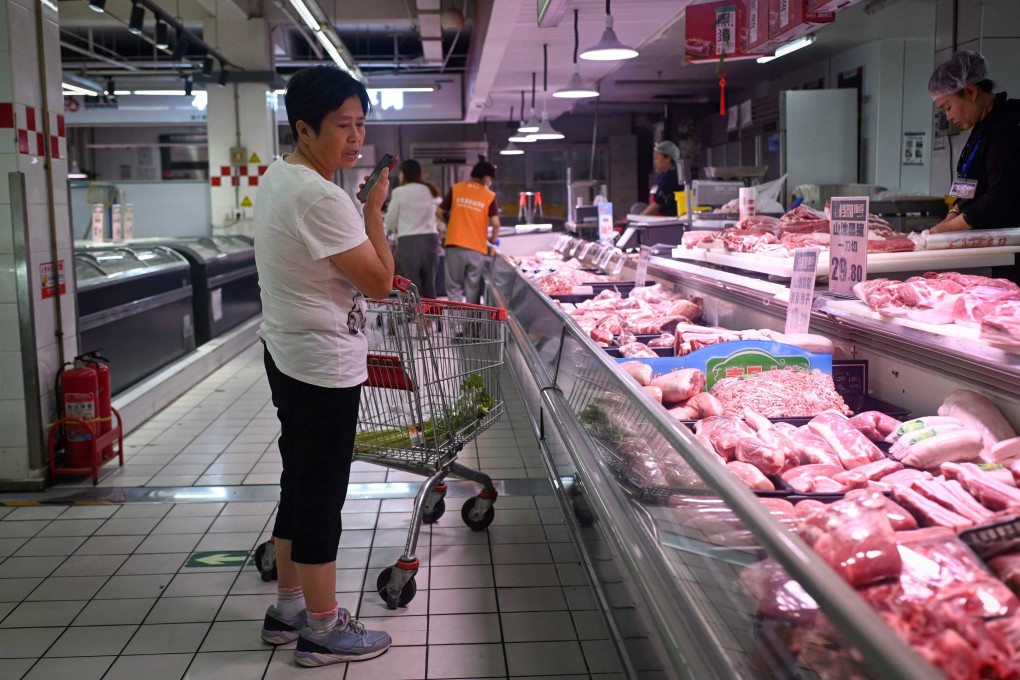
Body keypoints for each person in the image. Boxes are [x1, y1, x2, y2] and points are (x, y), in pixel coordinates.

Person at [253, 65, 394, 668]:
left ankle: (287, 610)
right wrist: (374, 214)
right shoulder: (320, 195)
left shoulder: (279, 177)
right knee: (321, 494)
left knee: (299, 478)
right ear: (305, 128)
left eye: (361, 124)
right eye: (343, 126)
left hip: (286, 349)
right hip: (321, 361)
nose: (356, 139)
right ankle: (321, 628)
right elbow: (381, 283)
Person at [929, 51, 1020, 235]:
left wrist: (949, 228)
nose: (948, 116)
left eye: (948, 107)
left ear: (970, 91)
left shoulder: (1006, 127)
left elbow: (1000, 197)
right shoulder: (981, 127)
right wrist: (954, 211)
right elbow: (970, 183)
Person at [441, 155, 500, 304]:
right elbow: (496, 223)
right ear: (487, 178)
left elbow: (438, 212)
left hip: (454, 244)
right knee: (472, 289)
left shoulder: (456, 189)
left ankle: (456, 326)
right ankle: (470, 326)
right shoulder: (489, 195)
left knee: (454, 288)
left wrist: (451, 224)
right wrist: (492, 239)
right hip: (476, 248)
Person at [385, 159, 442, 297]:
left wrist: (392, 230)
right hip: (431, 241)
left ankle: (416, 317)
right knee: (430, 283)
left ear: (403, 174)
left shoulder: (400, 191)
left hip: (409, 242)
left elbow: (390, 220)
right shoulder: (430, 190)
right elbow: (440, 215)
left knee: (412, 285)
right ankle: (430, 317)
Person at [639, 140, 683, 217]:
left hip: (667, 220)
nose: (654, 162)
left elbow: (658, 204)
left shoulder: (672, 177)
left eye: (657, 158)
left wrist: (639, 219)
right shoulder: (663, 175)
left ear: (668, 158)